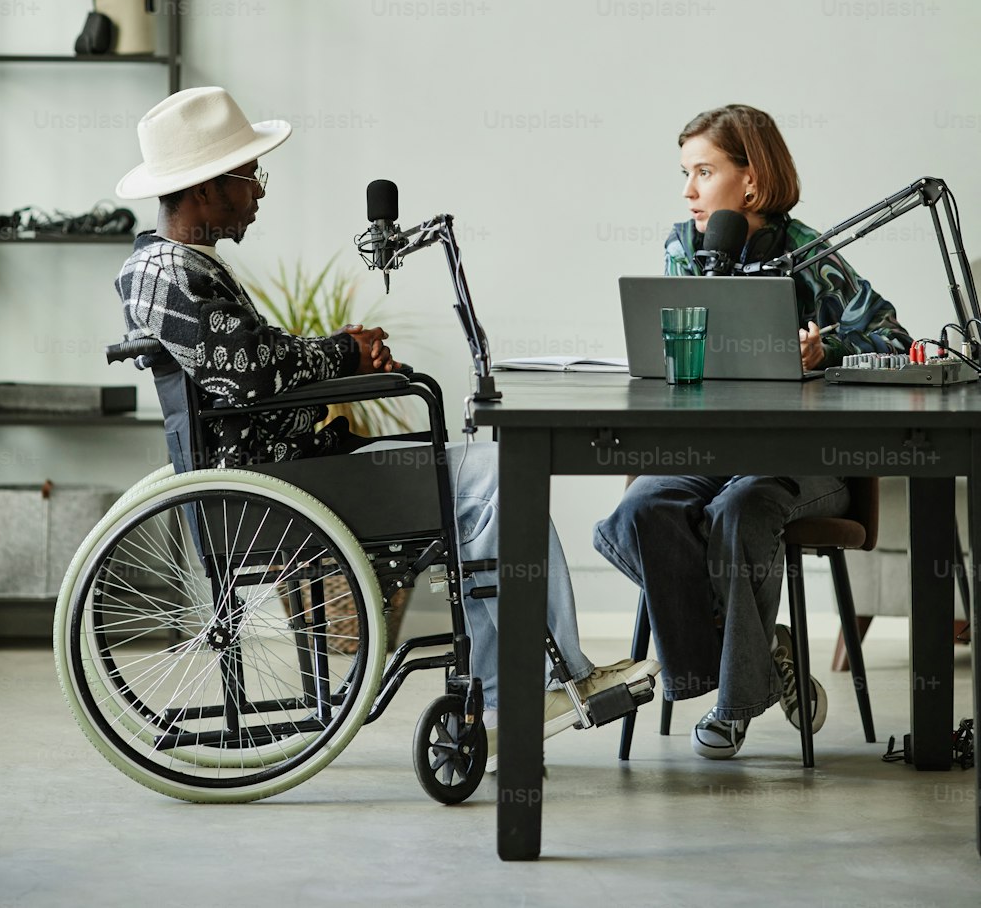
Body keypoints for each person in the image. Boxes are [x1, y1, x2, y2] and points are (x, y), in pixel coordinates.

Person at [115, 86, 655, 761]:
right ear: (203, 188)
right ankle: (526, 685)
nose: (259, 192)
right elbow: (249, 372)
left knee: (482, 484)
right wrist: (343, 351)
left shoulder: (177, 267)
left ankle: (507, 684)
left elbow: (253, 366)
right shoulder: (163, 270)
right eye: (250, 177)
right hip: (278, 489)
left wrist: (344, 354)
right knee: (499, 474)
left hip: (289, 473)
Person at [593, 103, 913, 760]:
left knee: (743, 508)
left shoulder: (812, 255)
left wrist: (827, 349)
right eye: (685, 173)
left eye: (702, 172)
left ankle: (734, 706)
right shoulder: (684, 248)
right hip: (710, 450)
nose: (687, 191)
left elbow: (893, 336)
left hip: (806, 464)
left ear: (751, 179)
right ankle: (761, 656)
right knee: (641, 508)